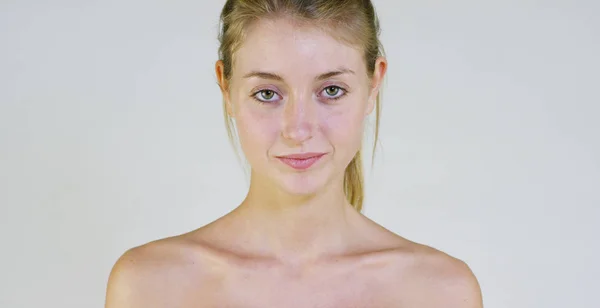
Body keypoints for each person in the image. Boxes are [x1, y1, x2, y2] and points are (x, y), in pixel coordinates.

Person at [105, 0, 483, 307]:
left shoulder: (439, 292)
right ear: (226, 87)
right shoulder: (150, 287)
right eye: (268, 93)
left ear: (373, 84)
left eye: (331, 90)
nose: (299, 129)